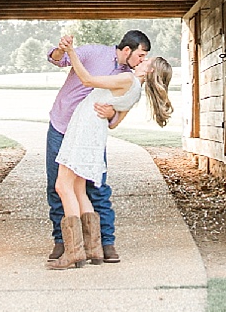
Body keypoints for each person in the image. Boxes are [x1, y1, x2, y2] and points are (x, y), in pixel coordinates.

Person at [45, 34, 173, 269]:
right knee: (79, 189)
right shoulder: (135, 87)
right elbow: (114, 121)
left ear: (149, 70)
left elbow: (87, 80)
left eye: (146, 59)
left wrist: (72, 50)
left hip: (83, 130)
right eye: (142, 55)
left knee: (62, 186)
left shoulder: (127, 78)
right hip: (88, 132)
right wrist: (109, 113)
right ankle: (94, 249)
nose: (142, 60)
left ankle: (73, 251)